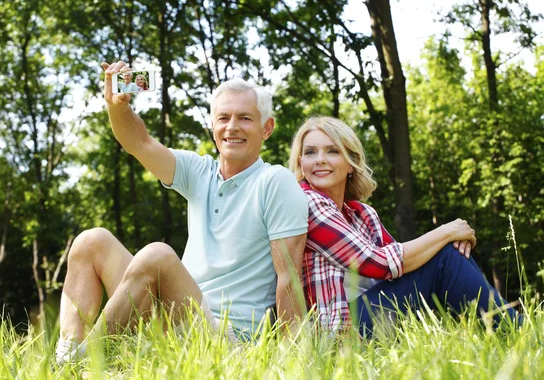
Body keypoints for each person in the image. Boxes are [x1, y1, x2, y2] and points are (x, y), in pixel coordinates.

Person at [55, 61, 308, 364]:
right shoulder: (198, 172)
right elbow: (139, 142)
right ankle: (68, 354)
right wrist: (118, 107)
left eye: (245, 118)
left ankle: (83, 363)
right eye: (224, 117)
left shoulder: (275, 181)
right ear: (212, 127)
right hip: (174, 323)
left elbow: (289, 277)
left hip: (227, 342)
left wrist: (291, 357)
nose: (232, 127)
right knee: (90, 241)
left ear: (267, 128)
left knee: (158, 256)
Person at [288, 116, 520, 335]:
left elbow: (406, 262)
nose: (319, 159)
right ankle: (517, 331)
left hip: (370, 315)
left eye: (332, 150)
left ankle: (504, 329)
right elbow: (376, 262)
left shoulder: (361, 213)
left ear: (351, 164)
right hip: (340, 332)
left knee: (446, 255)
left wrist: (446, 241)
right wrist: (447, 232)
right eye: (310, 152)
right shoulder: (308, 202)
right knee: (446, 258)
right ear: (301, 163)